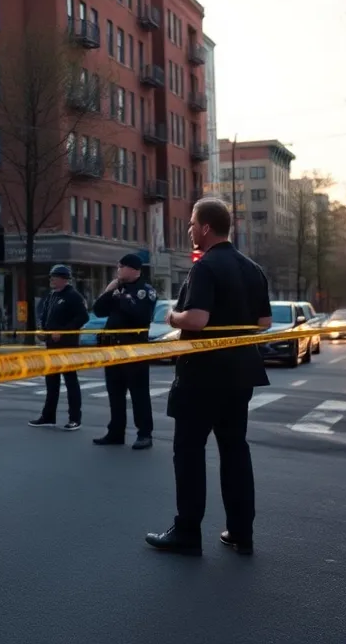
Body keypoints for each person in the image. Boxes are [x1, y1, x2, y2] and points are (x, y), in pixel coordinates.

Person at [146, 197, 272, 557]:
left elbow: (197, 319)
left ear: (204, 227)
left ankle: (186, 532)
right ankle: (240, 532)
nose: (188, 230)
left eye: (191, 224)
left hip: (201, 376)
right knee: (235, 450)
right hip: (242, 374)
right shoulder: (252, 269)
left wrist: (173, 317)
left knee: (189, 452)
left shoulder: (205, 268)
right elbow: (263, 323)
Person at [91, 254, 158, 449]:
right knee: (115, 393)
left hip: (134, 350)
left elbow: (141, 316)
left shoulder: (145, 291)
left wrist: (123, 298)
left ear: (133, 269)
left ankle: (144, 434)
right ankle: (116, 432)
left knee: (139, 394)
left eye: (121, 267)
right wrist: (108, 291)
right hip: (113, 350)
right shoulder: (117, 288)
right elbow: (99, 311)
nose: (118, 270)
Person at [29, 264, 89, 431]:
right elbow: (44, 314)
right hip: (51, 344)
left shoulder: (73, 296)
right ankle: (48, 416)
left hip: (67, 345)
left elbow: (83, 317)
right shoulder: (51, 296)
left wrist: (64, 331)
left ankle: (75, 418)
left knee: (71, 381)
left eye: (54, 277)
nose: (51, 280)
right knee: (51, 381)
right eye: (51, 277)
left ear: (64, 279)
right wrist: (42, 329)